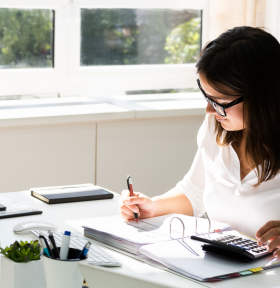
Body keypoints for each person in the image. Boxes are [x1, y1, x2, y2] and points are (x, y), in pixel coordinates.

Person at [119, 26, 280, 257]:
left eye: (219, 101)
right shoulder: (217, 128)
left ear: (261, 95)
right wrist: (153, 206)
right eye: (207, 97)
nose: (208, 110)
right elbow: (195, 191)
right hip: (221, 267)